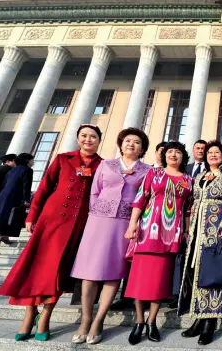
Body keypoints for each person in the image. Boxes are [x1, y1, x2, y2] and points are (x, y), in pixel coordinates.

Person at [0, 124, 102, 342]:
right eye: (84, 136)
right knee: (36, 267)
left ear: (99, 141)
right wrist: (31, 216)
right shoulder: (63, 159)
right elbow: (45, 187)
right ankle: (30, 314)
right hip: (52, 219)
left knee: (58, 271)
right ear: (77, 139)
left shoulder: (102, 165)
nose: (88, 140)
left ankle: (45, 315)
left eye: (93, 137)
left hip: (78, 226)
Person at [70, 128, 151, 345]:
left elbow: (146, 198)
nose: (131, 145)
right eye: (127, 141)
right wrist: (97, 210)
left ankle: (99, 320)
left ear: (142, 148)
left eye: (136, 142)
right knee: (90, 272)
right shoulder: (106, 165)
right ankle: (86, 320)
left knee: (113, 272)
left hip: (125, 224)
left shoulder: (147, 170)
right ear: (120, 144)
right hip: (99, 221)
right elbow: (94, 191)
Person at [123, 141, 193, 345]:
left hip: (171, 234)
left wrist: (187, 230)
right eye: (170, 151)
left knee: (160, 280)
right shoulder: (154, 174)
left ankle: (152, 321)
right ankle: (139, 322)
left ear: (183, 157)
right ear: (164, 155)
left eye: (178, 152)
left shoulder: (188, 180)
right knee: (139, 279)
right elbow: (140, 199)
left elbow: (188, 208)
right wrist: (132, 225)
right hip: (148, 230)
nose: (173, 155)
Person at [178, 140, 222, 345]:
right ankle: (198, 318)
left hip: (217, 230)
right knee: (195, 271)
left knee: (213, 272)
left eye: (217, 152)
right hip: (197, 231)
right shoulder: (199, 177)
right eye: (209, 152)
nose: (213, 155)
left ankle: (210, 323)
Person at [110, 140, 168, 311]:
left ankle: (155, 296)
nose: (166, 155)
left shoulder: (176, 172)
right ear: (157, 153)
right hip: (141, 220)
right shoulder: (146, 170)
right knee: (135, 260)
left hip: (164, 225)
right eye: (162, 151)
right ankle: (128, 296)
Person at [0, 153, 34, 243]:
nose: (33, 162)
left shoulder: (12, 170)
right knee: (10, 216)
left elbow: (6, 183)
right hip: (14, 196)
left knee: (4, 215)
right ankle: (2, 236)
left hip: (4, 195)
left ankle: (4, 236)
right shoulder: (28, 170)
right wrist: (26, 199)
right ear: (27, 160)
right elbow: (26, 185)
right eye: (31, 160)